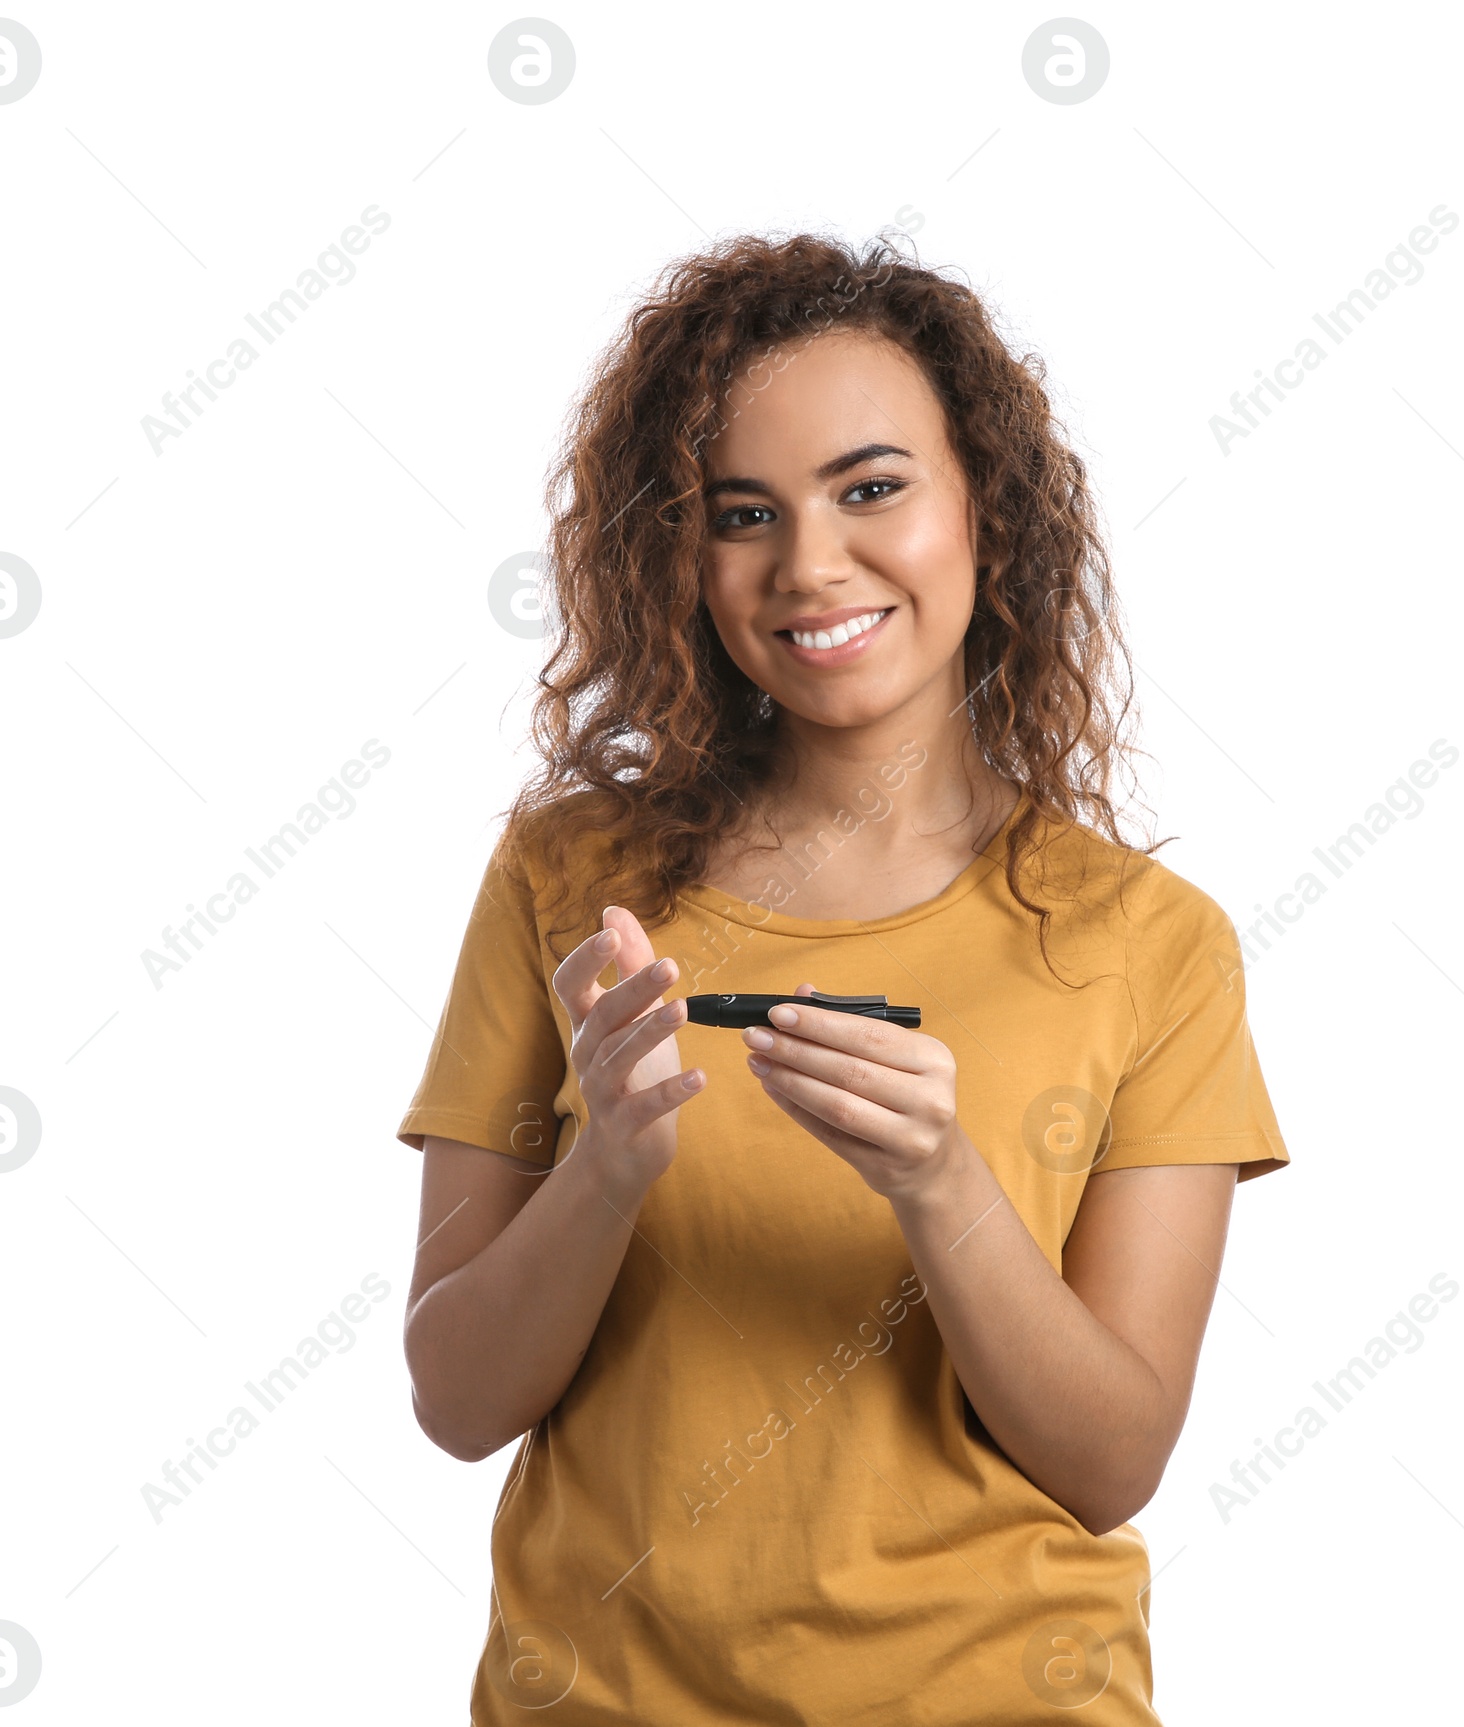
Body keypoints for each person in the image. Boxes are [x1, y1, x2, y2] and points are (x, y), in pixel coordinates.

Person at [396, 231, 1290, 1725]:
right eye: (741, 513)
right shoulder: (563, 880)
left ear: (985, 515)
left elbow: (1110, 1460)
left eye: (871, 488)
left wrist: (944, 1185)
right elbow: (456, 1403)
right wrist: (606, 1166)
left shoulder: (1149, 940)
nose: (810, 564)